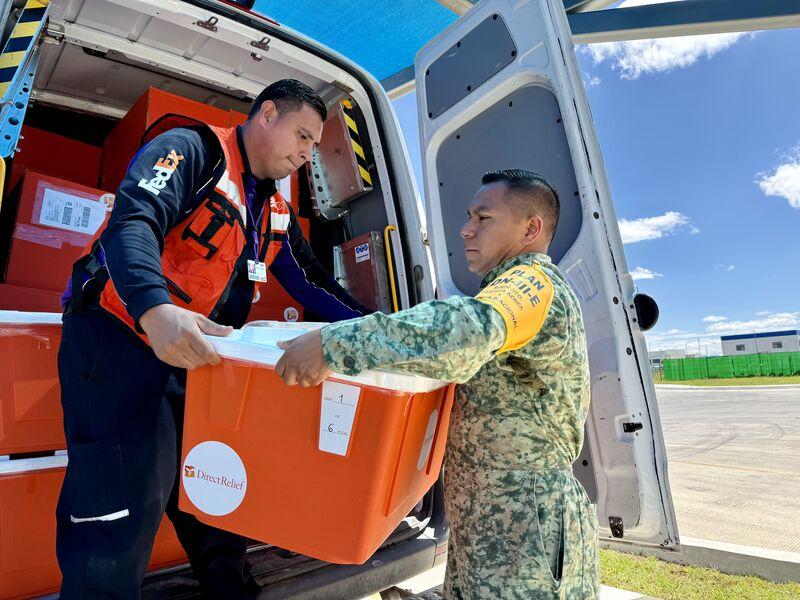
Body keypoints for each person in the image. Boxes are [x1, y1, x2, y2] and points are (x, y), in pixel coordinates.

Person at [57, 79, 367, 599]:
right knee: (121, 507)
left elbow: (313, 283)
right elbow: (134, 221)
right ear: (266, 114)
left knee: (215, 487)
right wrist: (155, 311)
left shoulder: (272, 212)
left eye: (315, 145)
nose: (307, 154)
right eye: (304, 136)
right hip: (119, 342)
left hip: (196, 361)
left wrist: (378, 329)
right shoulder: (192, 151)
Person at [275, 170, 599, 598]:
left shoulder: (532, 284)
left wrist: (333, 345)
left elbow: (465, 331)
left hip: (525, 528)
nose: (465, 229)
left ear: (531, 229)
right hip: (494, 524)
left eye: (484, 218)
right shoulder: (505, 288)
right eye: (469, 216)